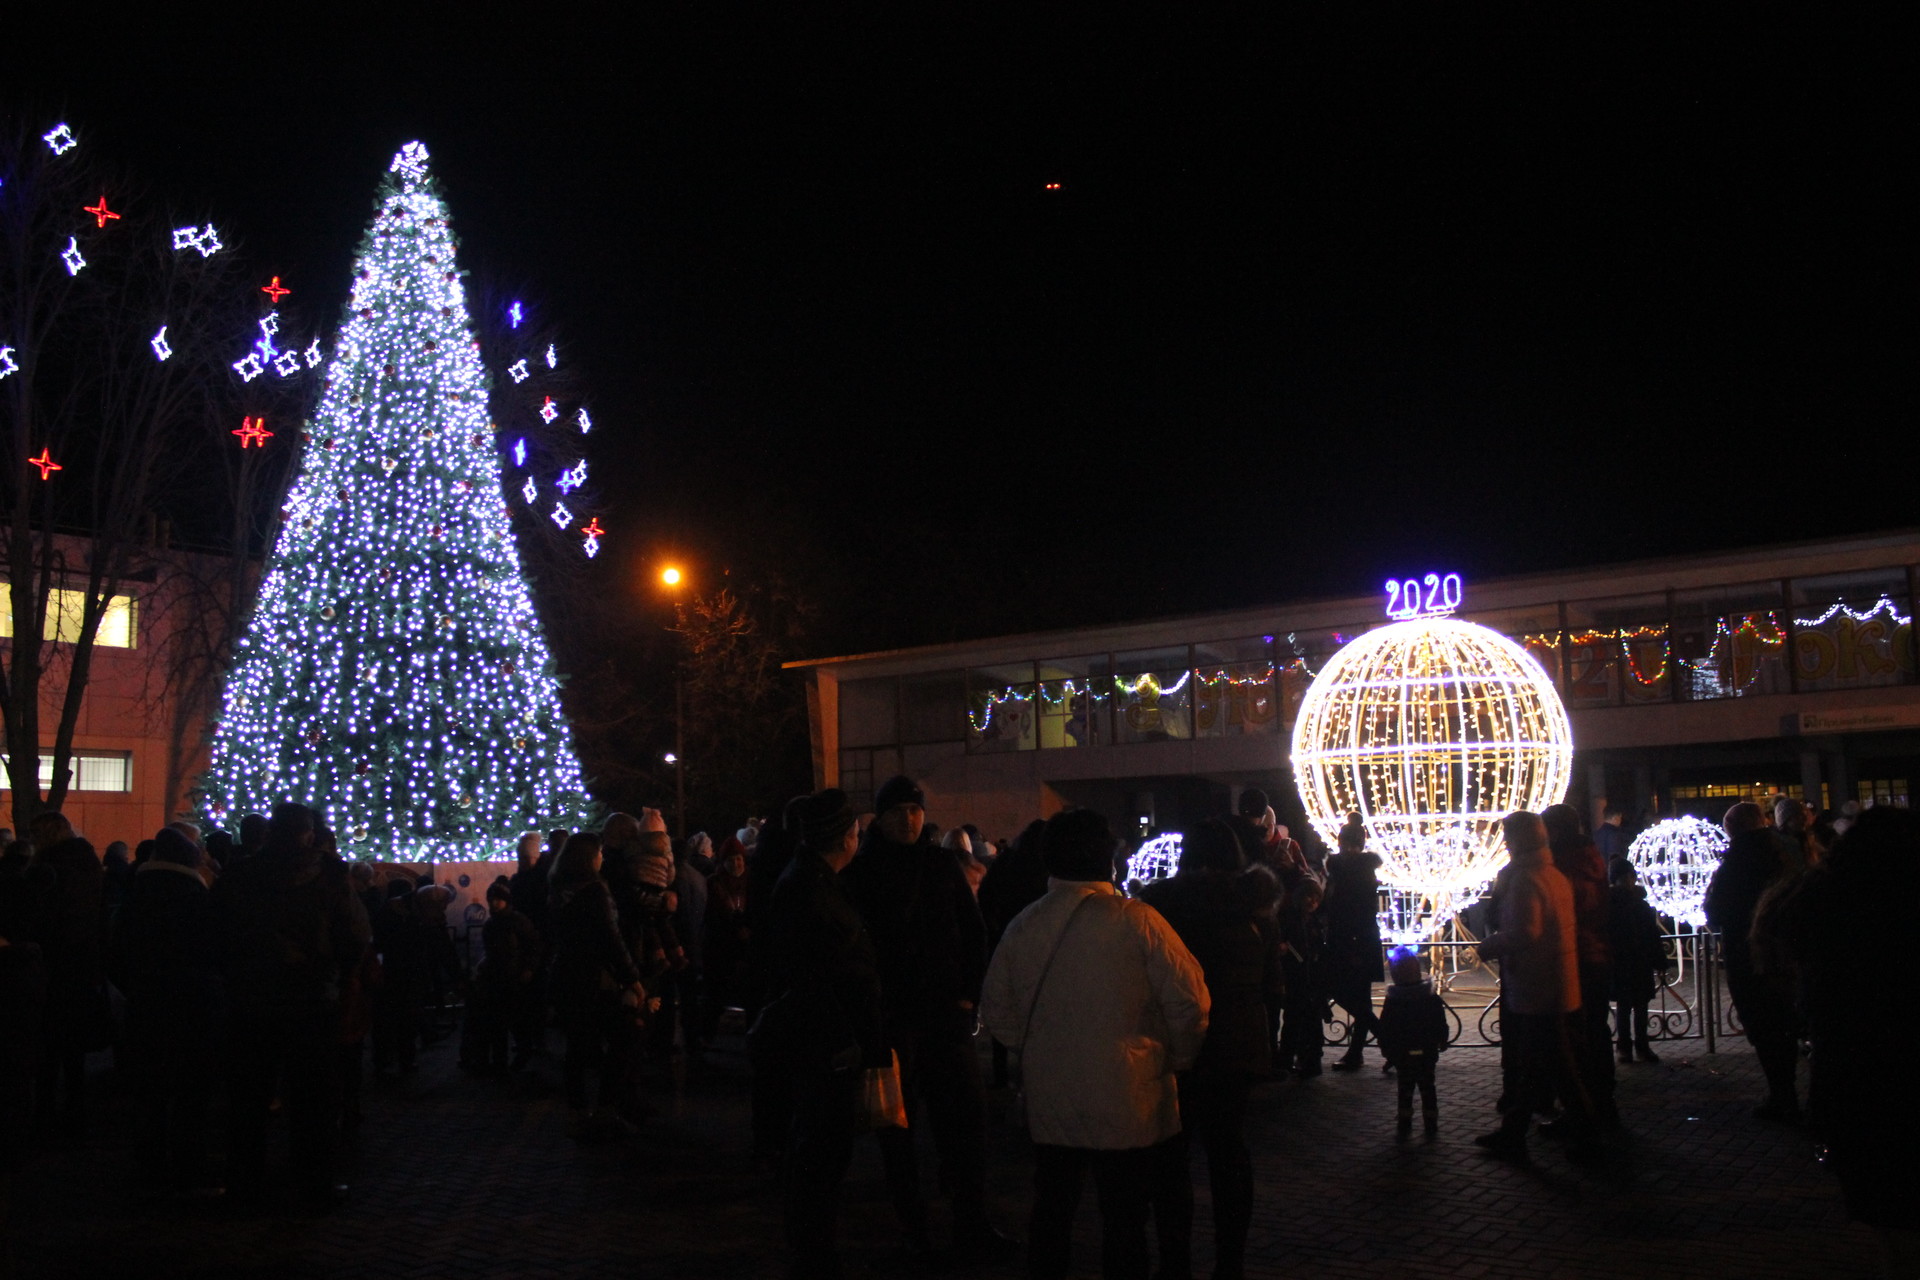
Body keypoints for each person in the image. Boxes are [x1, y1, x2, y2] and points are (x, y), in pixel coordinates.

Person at [981, 808, 1209, 1280]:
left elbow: (997, 1010)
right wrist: (1176, 1058)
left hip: (1052, 1098)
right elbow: (1190, 1002)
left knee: (1053, 1211)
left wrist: (1035, 1048)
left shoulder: (1024, 925)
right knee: (1124, 1219)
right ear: (1110, 859)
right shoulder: (1138, 921)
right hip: (1129, 1095)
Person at [839, 775, 1009, 1260]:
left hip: (944, 1014)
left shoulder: (938, 864)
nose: (909, 819)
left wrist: (967, 997)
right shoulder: (864, 870)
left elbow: (974, 931)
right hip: (895, 1020)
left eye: (915, 810)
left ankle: (970, 1219)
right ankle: (914, 1225)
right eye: (899, 811)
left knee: (966, 1122)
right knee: (900, 1129)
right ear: (881, 816)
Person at [1137, 818, 1275, 1280]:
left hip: (1175, 1043)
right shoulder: (1253, 907)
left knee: (1171, 1157)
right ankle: (1229, 1261)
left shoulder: (1164, 908)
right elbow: (1273, 982)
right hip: (1236, 1045)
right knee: (1229, 1151)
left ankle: (1175, 1261)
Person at [1784, 806, 1918, 1273]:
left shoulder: (1825, 894)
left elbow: (1792, 950)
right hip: (1885, 1053)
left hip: (1854, 1060)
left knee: (1879, 1190)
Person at [214, 802, 369, 1203]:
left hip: (253, 998)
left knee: (248, 1101)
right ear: (309, 833)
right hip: (311, 997)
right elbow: (353, 934)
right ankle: (313, 1183)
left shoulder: (241, 874)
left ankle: (245, 1182)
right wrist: (341, 972)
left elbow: (216, 932)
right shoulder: (330, 875)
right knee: (313, 1100)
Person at [761, 789, 886, 1280]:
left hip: (824, 1038)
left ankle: (814, 1244)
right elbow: (826, 976)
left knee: (821, 1150)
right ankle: (814, 1251)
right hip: (825, 1043)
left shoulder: (813, 882)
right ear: (843, 837)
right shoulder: (812, 891)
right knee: (820, 1151)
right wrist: (849, 1039)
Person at [108, 825, 224, 1190]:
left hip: (146, 1006)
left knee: (151, 1094)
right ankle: (189, 1168)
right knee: (191, 1095)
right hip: (192, 1009)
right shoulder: (195, 896)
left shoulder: (136, 893)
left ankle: (149, 1166)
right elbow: (213, 952)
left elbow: (117, 952)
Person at [1473, 811, 1587, 1162]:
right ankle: (1515, 1131)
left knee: (1557, 1066)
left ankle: (1587, 1133)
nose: (1504, 843)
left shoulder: (1525, 879)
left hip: (1539, 985)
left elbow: (1527, 932)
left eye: (1507, 837)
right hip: (1553, 982)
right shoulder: (1552, 874)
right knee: (1537, 1064)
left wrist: (1490, 945)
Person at [547, 832, 651, 1136]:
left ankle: (578, 1111)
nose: (602, 857)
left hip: (566, 977)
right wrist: (633, 979)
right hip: (593, 980)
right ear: (590, 858)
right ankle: (607, 1108)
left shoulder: (558, 889)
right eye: (599, 853)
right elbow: (611, 939)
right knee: (624, 1037)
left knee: (577, 1048)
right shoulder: (595, 891)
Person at [1704, 801, 1802, 1120]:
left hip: (1749, 955)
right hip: (1789, 952)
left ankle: (1782, 1094)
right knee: (1785, 1023)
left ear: (1733, 829)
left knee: (1764, 1027)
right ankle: (1789, 1090)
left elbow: (1716, 910)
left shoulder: (1736, 861)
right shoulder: (1788, 852)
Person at [1542, 803, 1617, 1127]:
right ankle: (1599, 1104)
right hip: (1596, 954)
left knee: (1576, 1038)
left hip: (1577, 957)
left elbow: (1569, 911)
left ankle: (1585, 1113)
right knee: (1593, 1033)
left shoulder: (1564, 863)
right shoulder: (1590, 856)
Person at [1323, 818, 1383, 1070]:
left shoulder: (1344, 870)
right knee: (1360, 998)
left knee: (1346, 993)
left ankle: (1385, 1038)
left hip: (1348, 941)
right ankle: (1360, 1050)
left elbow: (1344, 909)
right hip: (1361, 939)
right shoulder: (1362, 870)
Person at [1376, 946, 1448, 1136]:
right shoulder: (1430, 997)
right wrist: (1442, 1039)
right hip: (1427, 1048)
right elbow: (1439, 1021)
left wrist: (1386, 1047)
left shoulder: (1394, 999)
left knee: (1405, 1087)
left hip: (1403, 1051)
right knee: (1427, 1086)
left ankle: (1404, 1120)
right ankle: (1430, 1120)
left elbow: (1386, 1026)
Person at [1605, 858, 1670, 1064]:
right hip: (1625, 961)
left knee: (1639, 1005)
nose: (1628, 881)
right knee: (1626, 1006)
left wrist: (1659, 961)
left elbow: (1651, 935)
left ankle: (1639, 1045)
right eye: (1624, 878)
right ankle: (1627, 1046)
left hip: (1637, 961)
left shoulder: (1639, 906)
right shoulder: (1613, 905)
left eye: (1630, 877)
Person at [1277, 877, 1327, 1077]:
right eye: (1309, 897)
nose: (1312, 902)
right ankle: (1289, 1060)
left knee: (1311, 1020)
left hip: (1311, 976)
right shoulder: (1290, 919)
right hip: (1296, 976)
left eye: (1316, 898)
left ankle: (1311, 1059)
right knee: (1294, 1019)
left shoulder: (1316, 921)